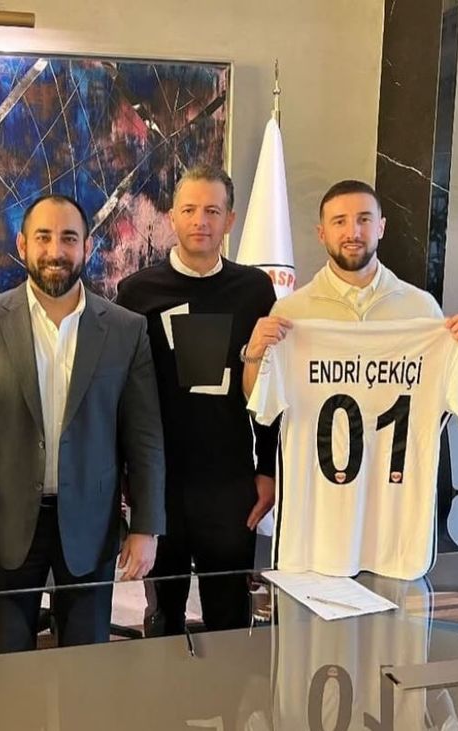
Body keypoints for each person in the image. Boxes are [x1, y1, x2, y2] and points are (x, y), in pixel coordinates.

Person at [0, 193, 165, 654]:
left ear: (86, 246)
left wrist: (146, 526)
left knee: (86, 667)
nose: (55, 250)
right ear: (23, 245)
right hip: (3, 529)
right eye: (43, 237)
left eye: (68, 238)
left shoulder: (126, 330)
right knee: (8, 667)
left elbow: (144, 437)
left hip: (91, 525)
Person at [115, 164, 278, 634]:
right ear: (172, 217)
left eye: (212, 211)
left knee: (228, 615)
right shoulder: (137, 292)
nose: (200, 221)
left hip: (229, 480)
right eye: (189, 210)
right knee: (163, 615)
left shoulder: (255, 290)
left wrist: (267, 468)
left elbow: (271, 387)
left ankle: (227, 686)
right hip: (160, 482)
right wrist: (126, 474)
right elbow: (121, 394)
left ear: (230, 220)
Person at [242, 179, 458, 391]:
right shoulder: (289, 313)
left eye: (364, 219)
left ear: (381, 227)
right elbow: (260, 405)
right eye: (339, 221)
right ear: (321, 233)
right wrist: (254, 355)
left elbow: (447, 403)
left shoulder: (422, 308)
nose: (353, 233)